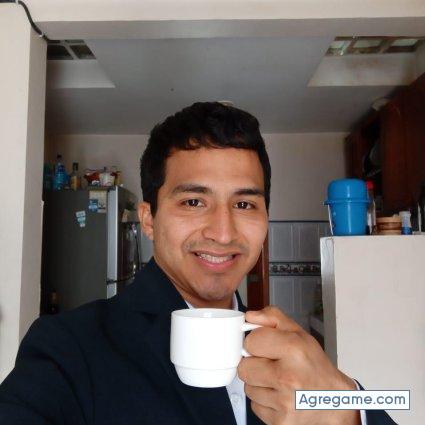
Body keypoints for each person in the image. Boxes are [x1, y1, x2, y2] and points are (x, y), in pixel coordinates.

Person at [0, 102, 396, 424]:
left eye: (244, 204)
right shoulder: (68, 347)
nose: (223, 233)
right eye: (194, 201)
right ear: (149, 219)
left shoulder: (291, 357)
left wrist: (347, 409)